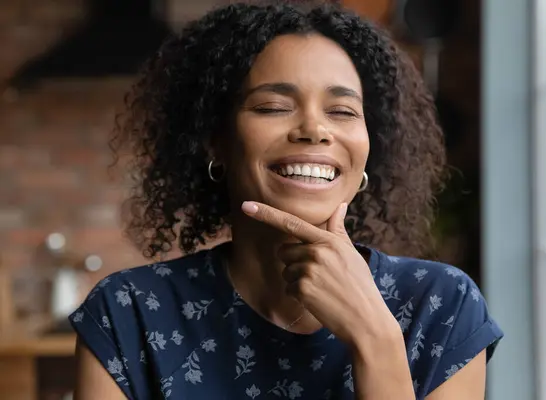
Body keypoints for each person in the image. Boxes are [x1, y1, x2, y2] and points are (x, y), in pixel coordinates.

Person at [70, 1, 503, 399]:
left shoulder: (443, 307)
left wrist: (376, 340)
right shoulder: (126, 314)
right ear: (215, 143)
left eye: (343, 111)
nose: (315, 129)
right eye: (274, 106)